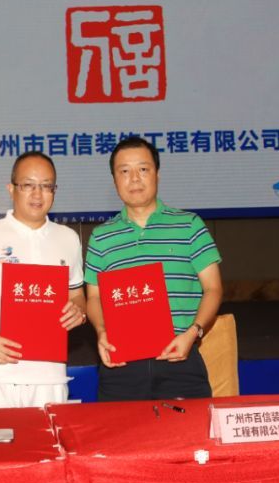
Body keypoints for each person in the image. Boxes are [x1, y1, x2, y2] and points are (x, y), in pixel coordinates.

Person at [0, 151, 87, 408]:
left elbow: (77, 295)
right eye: (28, 185)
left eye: (46, 186)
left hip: (50, 377)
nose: (37, 194)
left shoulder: (68, 238)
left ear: (54, 191)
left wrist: (79, 311)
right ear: (11, 189)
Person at [85, 136, 223, 401]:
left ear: (157, 174)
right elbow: (93, 297)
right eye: (124, 171)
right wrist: (101, 332)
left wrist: (193, 333)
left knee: (190, 429)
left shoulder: (189, 225)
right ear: (114, 180)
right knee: (119, 430)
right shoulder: (101, 236)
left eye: (143, 169)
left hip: (180, 360)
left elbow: (213, 289)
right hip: (120, 366)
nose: (134, 179)